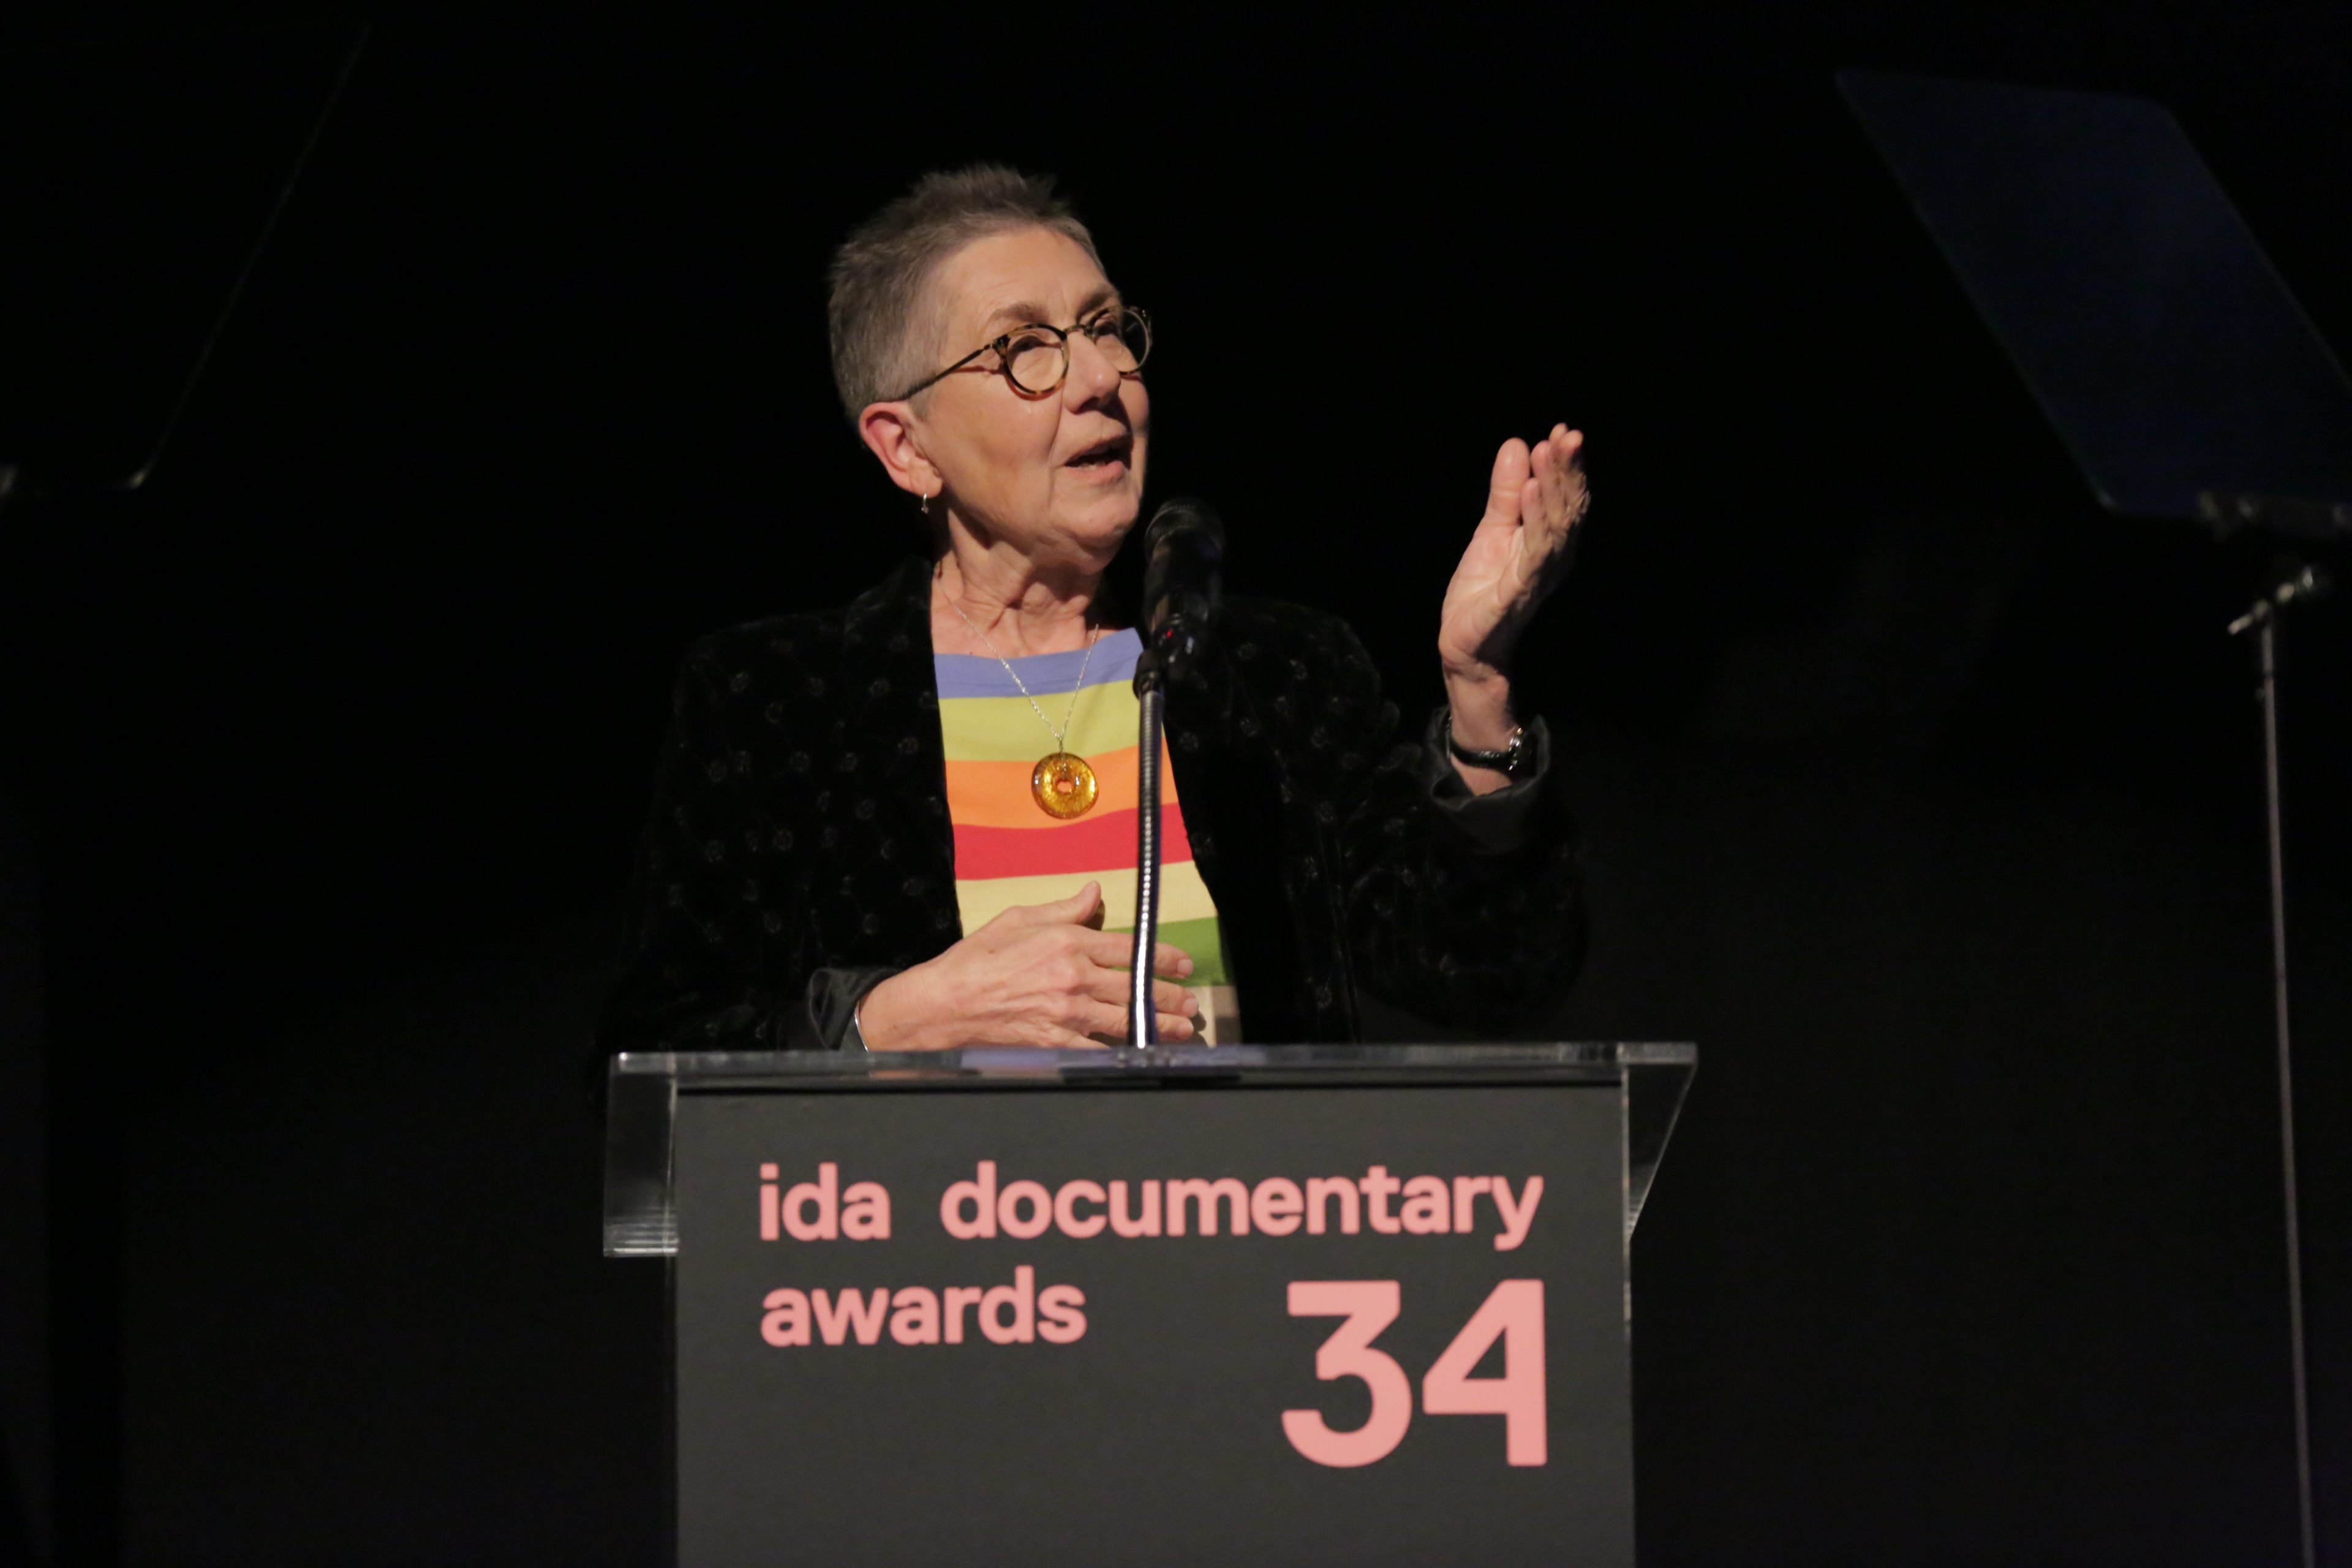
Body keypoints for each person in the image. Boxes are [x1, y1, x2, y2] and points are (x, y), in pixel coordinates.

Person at [598, 165, 1588, 1055]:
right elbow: (654, 1065)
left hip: (1245, 1241)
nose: (1104, 379)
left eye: (1107, 327)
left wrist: (1478, 686)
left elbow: (1491, 974)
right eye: (1025, 348)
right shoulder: (777, 703)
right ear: (907, 448)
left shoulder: (1274, 670)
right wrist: (891, 1019)